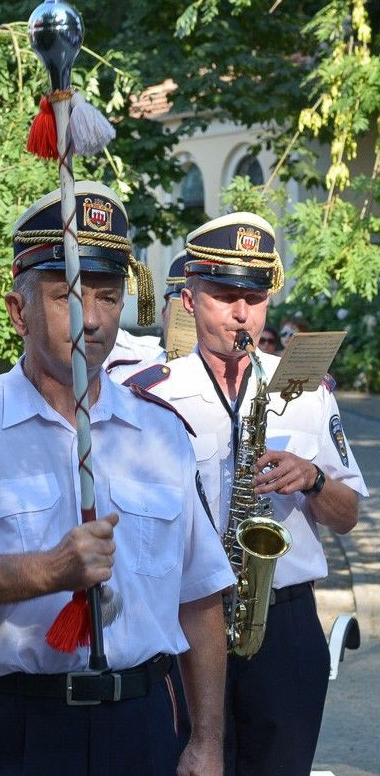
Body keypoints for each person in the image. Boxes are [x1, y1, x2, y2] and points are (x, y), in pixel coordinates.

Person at [0, 182, 233, 776]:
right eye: (66, 295)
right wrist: (46, 571)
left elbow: (199, 597)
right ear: (19, 310)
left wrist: (207, 743)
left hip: (143, 722)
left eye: (108, 295)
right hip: (17, 728)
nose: (92, 320)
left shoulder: (162, 432)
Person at [114, 213, 369, 776]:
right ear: (189, 298)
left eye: (254, 298)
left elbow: (348, 516)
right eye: (225, 295)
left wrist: (315, 478)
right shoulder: (144, 395)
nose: (240, 314)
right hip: (184, 623)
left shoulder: (306, 391)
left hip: (285, 623)